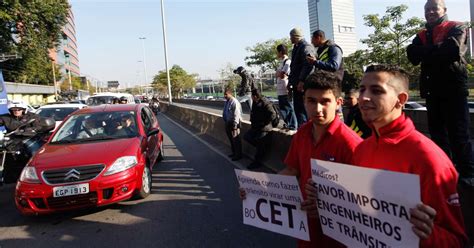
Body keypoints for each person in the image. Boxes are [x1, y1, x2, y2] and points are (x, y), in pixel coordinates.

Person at [349, 64, 467, 247]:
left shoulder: (428, 158)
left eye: (376, 90)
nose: (363, 97)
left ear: (400, 99)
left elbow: (457, 241)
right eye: (362, 89)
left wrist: (426, 234)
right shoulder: (361, 149)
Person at [241, 70, 362, 247]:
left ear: (338, 103)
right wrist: (256, 190)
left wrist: (327, 208)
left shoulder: (351, 144)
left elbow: (362, 202)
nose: (317, 109)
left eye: (325, 101)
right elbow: (292, 171)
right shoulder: (302, 134)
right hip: (306, 232)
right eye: (311, 101)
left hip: (339, 239)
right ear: (304, 101)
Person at [406, 1, 474, 242]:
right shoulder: (422, 34)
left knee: (460, 134)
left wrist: (430, 51)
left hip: (454, 90)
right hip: (432, 91)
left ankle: (466, 177)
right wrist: (437, 49)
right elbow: (412, 55)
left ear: (444, 10)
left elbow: (454, 51)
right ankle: (444, 176)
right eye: (427, 10)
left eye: (435, 8)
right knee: (438, 136)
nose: (430, 12)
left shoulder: (458, 26)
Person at [288, 27, 315, 128]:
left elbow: (309, 65)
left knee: (303, 110)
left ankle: (306, 133)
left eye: (291, 37)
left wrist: (302, 81)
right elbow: (294, 67)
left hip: (302, 85)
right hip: (296, 84)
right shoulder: (297, 47)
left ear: (295, 36)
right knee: (298, 109)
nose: (290, 39)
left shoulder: (305, 46)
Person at [244, 89, 276, 170]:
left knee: (260, 143)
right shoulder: (255, 102)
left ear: (255, 96)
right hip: (256, 127)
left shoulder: (265, 102)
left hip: (264, 128)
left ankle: (257, 162)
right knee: (246, 137)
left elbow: (273, 114)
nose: (251, 97)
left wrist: (264, 123)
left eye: (252, 96)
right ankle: (261, 148)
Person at [275, 44, 297, 131]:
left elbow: (282, 75)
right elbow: (279, 74)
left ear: (280, 52)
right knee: (283, 108)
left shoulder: (287, 62)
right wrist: (278, 73)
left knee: (289, 107)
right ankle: (287, 124)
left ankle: (293, 126)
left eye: (277, 52)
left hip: (285, 89)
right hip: (280, 89)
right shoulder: (281, 62)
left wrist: (278, 73)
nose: (277, 54)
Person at [223, 88, 243, 161]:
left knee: (236, 140)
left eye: (226, 94)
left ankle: (238, 155)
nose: (225, 96)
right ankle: (234, 153)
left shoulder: (234, 102)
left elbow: (236, 114)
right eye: (224, 94)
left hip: (234, 124)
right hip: (228, 123)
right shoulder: (227, 102)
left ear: (230, 94)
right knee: (231, 139)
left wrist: (235, 125)